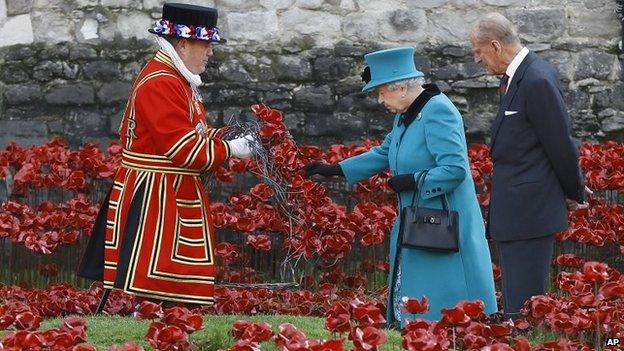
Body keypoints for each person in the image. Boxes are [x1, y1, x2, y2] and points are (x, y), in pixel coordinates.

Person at [77, 3, 254, 309]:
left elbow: (193, 133)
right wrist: (231, 149)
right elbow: (184, 150)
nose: (210, 52)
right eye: (205, 44)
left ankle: (156, 315)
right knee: (158, 277)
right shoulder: (162, 81)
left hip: (166, 188)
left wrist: (226, 136)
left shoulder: (174, 77)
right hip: (157, 193)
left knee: (167, 279)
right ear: (183, 43)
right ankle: (146, 315)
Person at [305, 47, 497, 324]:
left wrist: (414, 180)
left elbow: (455, 169)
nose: (380, 100)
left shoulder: (438, 111)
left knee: (448, 285)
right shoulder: (407, 112)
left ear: (402, 88)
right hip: (420, 215)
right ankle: (417, 324)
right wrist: (337, 169)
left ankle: (451, 325)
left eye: (382, 92)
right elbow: (385, 151)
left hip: (444, 217)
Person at [469, 13, 588, 320]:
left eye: (479, 52)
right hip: (516, 211)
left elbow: (559, 143)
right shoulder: (513, 78)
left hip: (530, 212)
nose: (477, 60)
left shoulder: (536, 79)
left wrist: (573, 190)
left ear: (496, 46)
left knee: (523, 310)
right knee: (515, 305)